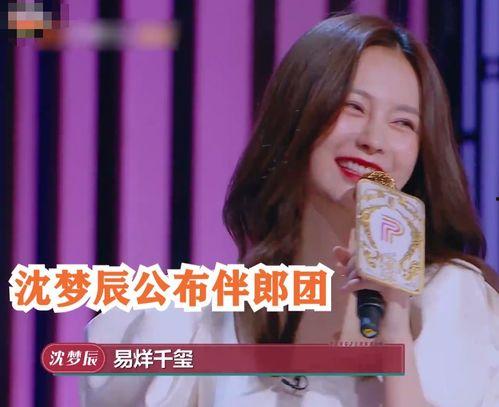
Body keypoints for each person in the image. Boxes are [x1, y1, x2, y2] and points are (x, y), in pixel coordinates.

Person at [81, 14, 499, 406]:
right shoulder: (204, 319)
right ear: (298, 114)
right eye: (352, 106)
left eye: (403, 123)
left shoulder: (447, 297)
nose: (374, 139)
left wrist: (394, 327)